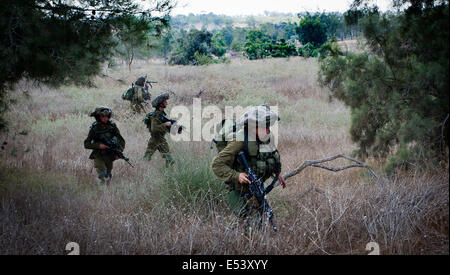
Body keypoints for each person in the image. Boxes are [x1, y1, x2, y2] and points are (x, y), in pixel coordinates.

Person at [211, 105, 286, 231]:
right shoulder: (240, 140)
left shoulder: (267, 137)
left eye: (268, 127)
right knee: (251, 224)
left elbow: (269, 156)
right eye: (264, 127)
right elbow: (217, 164)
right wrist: (237, 176)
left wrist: (276, 173)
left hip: (256, 186)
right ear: (253, 127)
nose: (267, 131)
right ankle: (223, 228)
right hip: (239, 190)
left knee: (262, 218)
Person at [84, 106, 126, 183]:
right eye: (102, 116)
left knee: (108, 176)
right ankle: (101, 191)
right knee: (103, 176)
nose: (105, 118)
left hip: (110, 155)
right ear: (98, 117)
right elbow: (86, 144)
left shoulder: (112, 126)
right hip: (98, 155)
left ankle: (106, 192)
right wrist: (99, 146)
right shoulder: (94, 128)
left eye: (106, 116)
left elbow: (121, 140)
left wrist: (119, 152)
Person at [143, 93, 176, 166]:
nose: (166, 103)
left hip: (158, 139)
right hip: (157, 139)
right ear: (160, 104)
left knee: (147, 157)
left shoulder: (161, 114)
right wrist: (165, 124)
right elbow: (154, 128)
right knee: (169, 160)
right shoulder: (156, 115)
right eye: (165, 101)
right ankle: (140, 170)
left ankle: (168, 173)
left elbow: (166, 127)